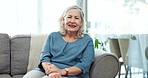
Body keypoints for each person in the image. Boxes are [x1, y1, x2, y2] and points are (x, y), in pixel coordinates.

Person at [23, 5, 94, 78]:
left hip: (71, 74)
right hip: (47, 70)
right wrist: (49, 70)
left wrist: (61, 71)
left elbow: (84, 64)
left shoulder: (87, 40)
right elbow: (44, 57)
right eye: (69, 17)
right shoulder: (53, 36)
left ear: (81, 22)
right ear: (63, 20)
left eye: (77, 18)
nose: (72, 21)